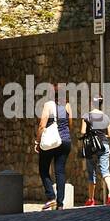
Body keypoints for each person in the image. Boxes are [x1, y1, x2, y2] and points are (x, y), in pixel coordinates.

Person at [36, 83, 72, 211]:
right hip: (65, 141)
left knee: (43, 169)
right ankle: (60, 204)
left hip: (52, 141)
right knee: (60, 171)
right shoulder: (67, 106)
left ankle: (51, 197)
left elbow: (42, 125)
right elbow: (70, 124)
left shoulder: (48, 105)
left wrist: (37, 141)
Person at [80, 94, 110, 207]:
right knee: (105, 170)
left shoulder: (87, 116)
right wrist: (101, 134)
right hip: (104, 145)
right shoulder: (106, 117)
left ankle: (91, 199)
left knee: (92, 172)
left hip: (91, 147)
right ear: (101, 104)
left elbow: (82, 131)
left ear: (92, 102)